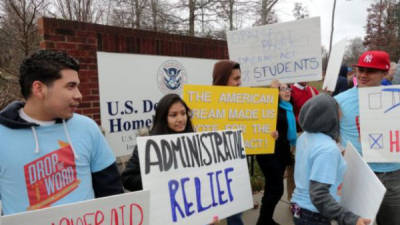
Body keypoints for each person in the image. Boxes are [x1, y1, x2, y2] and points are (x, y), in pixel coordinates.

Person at [0, 50, 123, 215]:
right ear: (39, 89)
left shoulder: (87, 127)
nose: (79, 95)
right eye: (70, 86)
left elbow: (111, 193)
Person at [335, 50, 400, 225]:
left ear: (385, 73)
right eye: (360, 69)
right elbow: (333, 137)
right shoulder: (340, 100)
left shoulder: (396, 98)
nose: (363, 75)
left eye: (370, 71)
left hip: (392, 174)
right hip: (358, 173)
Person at [291, 94, 371, 225]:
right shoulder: (327, 149)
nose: (341, 116)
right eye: (338, 111)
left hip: (298, 208)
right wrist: (351, 219)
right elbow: (319, 195)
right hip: (313, 215)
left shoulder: (305, 136)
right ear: (328, 118)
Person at [121, 93, 194, 191]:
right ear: (163, 118)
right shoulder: (147, 145)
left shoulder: (195, 141)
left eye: (183, 113)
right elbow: (128, 179)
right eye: (173, 115)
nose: (180, 119)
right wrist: (157, 179)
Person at [256, 81, 296, 225]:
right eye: (282, 89)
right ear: (275, 93)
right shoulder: (273, 109)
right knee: (277, 189)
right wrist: (271, 92)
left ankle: (266, 219)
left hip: (280, 153)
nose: (287, 91)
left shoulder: (288, 108)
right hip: (269, 154)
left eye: (288, 88)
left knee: (271, 188)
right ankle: (263, 221)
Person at [212, 60, 243, 225]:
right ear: (223, 80)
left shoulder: (245, 101)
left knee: (236, 212)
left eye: (240, 78)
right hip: (212, 168)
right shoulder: (204, 104)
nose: (240, 83)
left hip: (235, 165)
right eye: (236, 79)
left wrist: (269, 136)